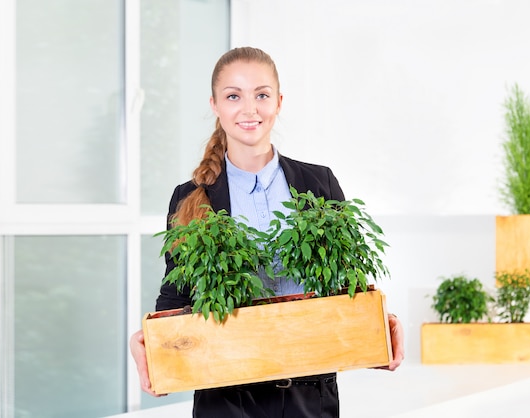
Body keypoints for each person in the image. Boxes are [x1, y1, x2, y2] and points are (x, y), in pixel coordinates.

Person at [129, 46, 405, 417]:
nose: (249, 109)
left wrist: (379, 324)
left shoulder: (318, 183)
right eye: (233, 96)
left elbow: (345, 284)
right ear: (215, 105)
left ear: (278, 101)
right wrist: (151, 340)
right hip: (227, 398)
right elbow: (176, 292)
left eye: (261, 95)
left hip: (310, 396)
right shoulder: (189, 197)